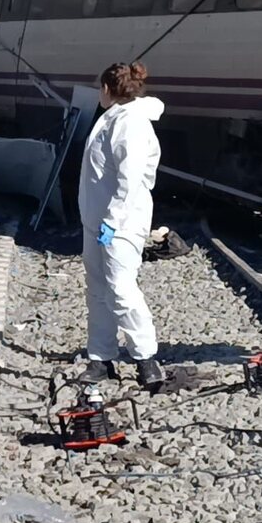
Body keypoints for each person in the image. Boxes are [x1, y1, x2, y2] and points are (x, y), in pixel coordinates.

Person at [76, 62, 166, 388]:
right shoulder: (113, 118)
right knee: (98, 291)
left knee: (121, 290)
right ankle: (101, 358)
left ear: (106, 88)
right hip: (97, 221)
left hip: (121, 224)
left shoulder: (131, 124)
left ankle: (146, 359)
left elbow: (129, 181)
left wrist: (112, 222)